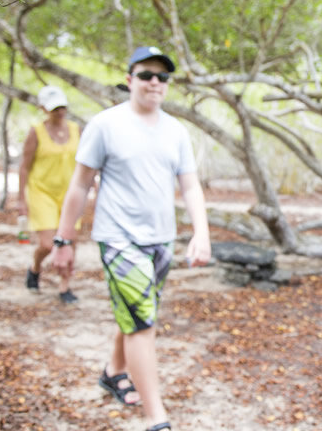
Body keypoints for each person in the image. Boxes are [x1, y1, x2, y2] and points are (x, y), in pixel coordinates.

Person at [52, 46, 211, 431]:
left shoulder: (176, 130)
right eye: (146, 75)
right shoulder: (105, 125)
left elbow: (190, 187)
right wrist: (63, 239)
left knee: (136, 312)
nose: (154, 82)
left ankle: (112, 372)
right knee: (143, 324)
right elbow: (80, 185)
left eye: (162, 77)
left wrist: (201, 233)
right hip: (119, 238)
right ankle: (158, 418)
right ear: (129, 80)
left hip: (161, 241)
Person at [18, 85, 80, 303]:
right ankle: (35, 267)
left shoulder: (75, 129)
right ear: (43, 108)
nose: (60, 112)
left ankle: (65, 287)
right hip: (41, 192)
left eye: (62, 107)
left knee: (70, 241)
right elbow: (25, 166)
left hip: (70, 193)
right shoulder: (37, 131)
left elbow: (85, 163)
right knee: (47, 243)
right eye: (55, 108)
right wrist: (20, 199)